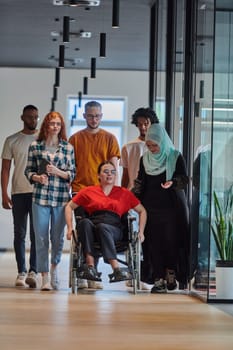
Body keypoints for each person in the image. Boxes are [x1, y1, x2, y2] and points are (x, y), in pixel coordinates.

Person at [65, 160, 147, 284]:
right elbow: (69, 207)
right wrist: (70, 227)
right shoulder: (89, 191)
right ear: (98, 175)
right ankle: (90, 266)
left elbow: (142, 211)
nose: (110, 174)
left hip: (115, 229)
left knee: (103, 227)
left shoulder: (124, 193)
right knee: (84, 223)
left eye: (113, 172)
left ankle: (116, 268)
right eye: (106, 172)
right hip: (93, 225)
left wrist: (141, 232)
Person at [69, 100, 121, 289]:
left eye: (97, 115)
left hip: (102, 194)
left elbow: (115, 168)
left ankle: (93, 274)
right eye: (90, 115)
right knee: (84, 229)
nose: (94, 119)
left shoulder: (109, 138)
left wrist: (114, 191)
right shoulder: (74, 139)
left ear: (102, 116)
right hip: (80, 191)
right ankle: (85, 271)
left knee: (99, 228)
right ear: (84, 116)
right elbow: (69, 167)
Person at [132, 123, 190, 294]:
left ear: (162, 141)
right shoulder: (145, 159)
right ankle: (158, 279)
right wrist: (132, 197)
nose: (152, 149)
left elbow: (184, 179)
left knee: (171, 242)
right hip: (150, 208)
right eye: (148, 146)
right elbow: (140, 181)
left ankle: (170, 272)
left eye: (154, 145)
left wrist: (173, 182)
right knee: (152, 244)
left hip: (172, 209)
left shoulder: (175, 156)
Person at [25, 111, 75, 291]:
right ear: (46, 125)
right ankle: (44, 276)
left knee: (57, 237)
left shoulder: (68, 148)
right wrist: (37, 178)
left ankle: (54, 268)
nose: (55, 126)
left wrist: (57, 172)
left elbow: (72, 173)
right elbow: (28, 171)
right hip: (40, 198)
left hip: (61, 199)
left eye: (58, 124)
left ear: (61, 127)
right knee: (40, 237)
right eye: (52, 123)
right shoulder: (35, 146)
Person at [1, 104, 39, 288]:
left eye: (36, 117)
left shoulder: (43, 139)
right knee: (20, 233)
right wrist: (4, 193)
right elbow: (5, 169)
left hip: (38, 193)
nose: (33, 120)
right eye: (30, 117)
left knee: (36, 233)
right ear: (22, 117)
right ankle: (21, 271)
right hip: (18, 192)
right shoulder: (12, 140)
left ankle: (34, 270)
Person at [121, 107, 159, 190]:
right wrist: (122, 195)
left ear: (152, 124)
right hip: (133, 193)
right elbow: (125, 175)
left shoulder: (160, 147)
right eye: (139, 124)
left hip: (154, 192)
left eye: (146, 124)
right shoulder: (127, 147)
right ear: (136, 124)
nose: (143, 127)